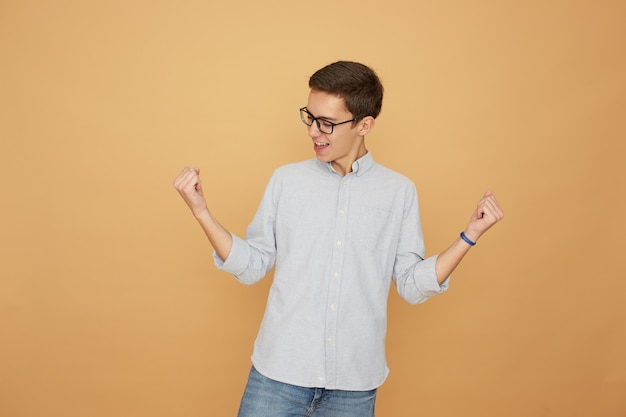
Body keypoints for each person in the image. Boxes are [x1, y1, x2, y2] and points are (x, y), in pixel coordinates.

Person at [174, 61, 504, 417]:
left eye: (328, 123)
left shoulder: (398, 192)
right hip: (278, 376)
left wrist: (468, 236)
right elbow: (252, 265)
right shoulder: (286, 181)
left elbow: (411, 284)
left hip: (354, 386)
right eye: (310, 118)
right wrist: (202, 212)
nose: (315, 132)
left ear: (365, 125)